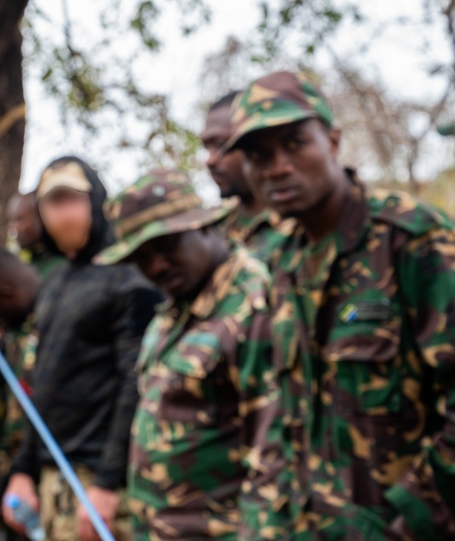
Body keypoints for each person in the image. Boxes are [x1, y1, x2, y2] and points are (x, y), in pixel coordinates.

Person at [225, 71, 455, 539]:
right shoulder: (279, 261)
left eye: (294, 143)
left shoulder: (411, 238)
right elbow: (281, 414)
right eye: (258, 156)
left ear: (332, 140)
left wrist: (407, 519)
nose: (277, 167)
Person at [96, 169, 274, 540]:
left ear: (205, 227)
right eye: (142, 258)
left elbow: (276, 456)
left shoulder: (254, 306)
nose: (157, 266)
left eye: (168, 246)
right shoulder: (172, 312)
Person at [2, 156, 163, 541]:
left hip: (104, 486)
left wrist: (108, 482)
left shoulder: (129, 278)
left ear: (96, 202)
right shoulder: (55, 282)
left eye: (71, 199)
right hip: (52, 478)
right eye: (51, 203)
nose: (61, 214)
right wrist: (23, 471)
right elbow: (41, 384)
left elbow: (135, 384)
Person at [0, 248, 42, 538]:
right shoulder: (14, 332)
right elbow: (5, 394)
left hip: (47, 463)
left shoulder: (51, 323)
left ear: (7, 292)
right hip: (18, 461)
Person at [199, 90, 286, 260]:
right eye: (206, 148)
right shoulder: (210, 233)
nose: (210, 160)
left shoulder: (298, 219)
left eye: (221, 144)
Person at [8, 191, 65, 278]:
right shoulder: (29, 264)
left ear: (42, 217)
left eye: (19, 219)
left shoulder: (61, 267)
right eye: (11, 220)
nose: (13, 227)